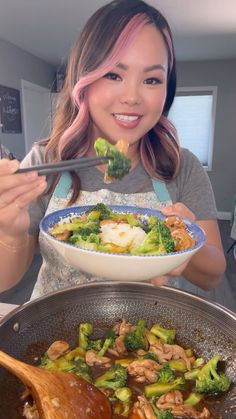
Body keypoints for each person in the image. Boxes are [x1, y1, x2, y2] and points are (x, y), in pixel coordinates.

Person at [0, 0, 226, 300]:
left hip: (150, 338)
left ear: (166, 90)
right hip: (53, 331)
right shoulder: (45, 161)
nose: (132, 97)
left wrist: (185, 238)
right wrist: (10, 232)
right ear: (85, 80)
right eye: (113, 75)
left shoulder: (182, 166)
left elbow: (213, 276)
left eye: (151, 79)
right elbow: (5, 280)